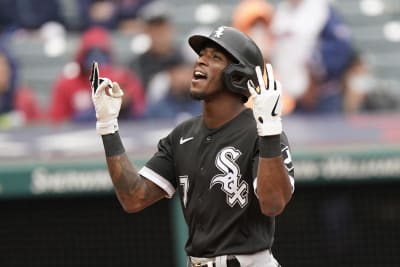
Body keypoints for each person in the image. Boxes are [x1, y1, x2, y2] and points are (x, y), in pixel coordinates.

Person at [91, 26, 295, 266]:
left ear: (238, 76)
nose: (201, 61)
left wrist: (270, 131)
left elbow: (273, 204)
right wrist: (108, 126)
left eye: (215, 57)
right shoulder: (182, 135)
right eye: (202, 55)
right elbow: (133, 197)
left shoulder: (261, 132)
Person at [48, 26, 146, 124]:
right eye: (90, 52)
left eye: (101, 52)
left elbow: (141, 114)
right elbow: (57, 121)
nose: (96, 58)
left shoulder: (124, 79)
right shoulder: (67, 84)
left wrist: (125, 104)